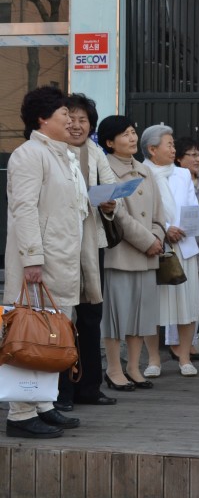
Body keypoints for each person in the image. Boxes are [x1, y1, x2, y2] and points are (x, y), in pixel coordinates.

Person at [3, 86, 85, 438]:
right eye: (63, 114)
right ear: (43, 119)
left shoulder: (61, 154)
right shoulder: (28, 155)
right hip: (39, 265)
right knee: (30, 338)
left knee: (52, 336)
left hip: (61, 259)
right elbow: (24, 210)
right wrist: (32, 258)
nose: (70, 120)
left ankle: (44, 405)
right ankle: (20, 414)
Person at [53, 94, 118, 411]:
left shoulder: (95, 152)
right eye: (72, 118)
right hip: (60, 246)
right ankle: (61, 391)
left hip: (92, 244)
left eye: (83, 120)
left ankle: (90, 387)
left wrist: (109, 203)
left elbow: (111, 186)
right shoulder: (52, 151)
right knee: (62, 319)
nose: (77, 125)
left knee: (91, 317)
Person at [99, 115, 166, 391]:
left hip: (148, 255)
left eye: (133, 132)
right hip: (121, 255)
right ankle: (114, 369)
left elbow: (159, 211)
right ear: (109, 142)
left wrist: (158, 237)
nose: (132, 138)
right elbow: (119, 216)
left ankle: (134, 367)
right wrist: (147, 241)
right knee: (117, 315)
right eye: (125, 134)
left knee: (141, 316)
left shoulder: (145, 170)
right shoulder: (105, 170)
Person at [141, 125, 199, 377]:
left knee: (187, 305)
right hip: (154, 246)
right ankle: (154, 359)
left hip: (183, 245)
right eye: (169, 144)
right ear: (152, 149)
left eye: (173, 144)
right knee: (152, 308)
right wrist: (165, 228)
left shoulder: (183, 175)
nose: (173, 148)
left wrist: (181, 229)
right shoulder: (141, 173)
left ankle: (185, 357)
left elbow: (192, 207)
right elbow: (140, 211)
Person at [164, 137, 199, 362]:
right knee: (173, 297)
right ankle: (174, 343)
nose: (196, 159)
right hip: (173, 242)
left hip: (197, 244)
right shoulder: (171, 178)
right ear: (179, 158)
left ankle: (189, 343)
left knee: (195, 297)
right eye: (191, 154)